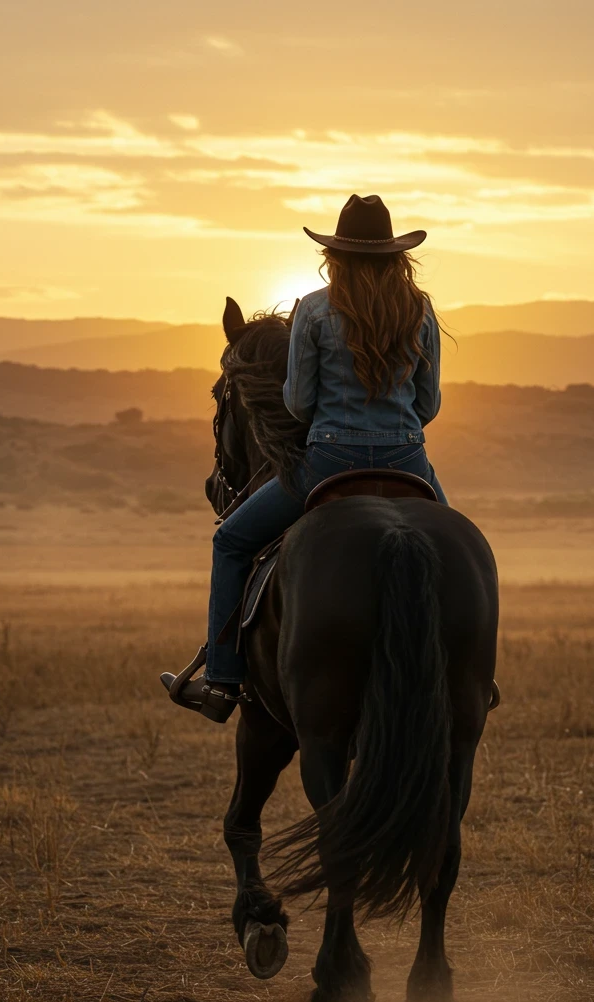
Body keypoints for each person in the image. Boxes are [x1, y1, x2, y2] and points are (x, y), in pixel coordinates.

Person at [161, 193, 449, 723]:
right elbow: (428, 405)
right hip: (407, 460)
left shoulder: (314, 310)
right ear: (396, 256)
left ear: (334, 254)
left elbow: (296, 403)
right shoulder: (421, 309)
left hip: (328, 462)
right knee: (453, 551)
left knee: (230, 542)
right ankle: (465, 671)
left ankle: (221, 682)